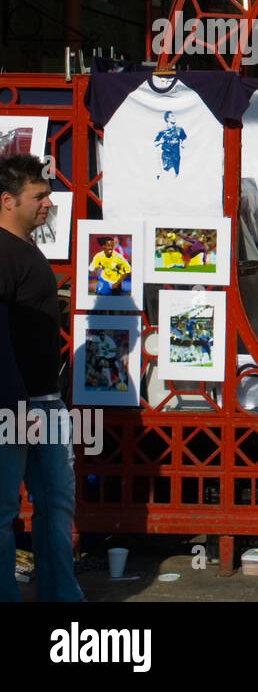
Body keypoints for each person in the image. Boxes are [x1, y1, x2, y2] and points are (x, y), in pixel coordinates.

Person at [0, 153, 84, 601]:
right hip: (15, 404)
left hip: (44, 401)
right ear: (7, 201)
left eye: (48, 194)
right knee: (4, 510)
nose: (48, 202)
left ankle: (63, 597)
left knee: (55, 503)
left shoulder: (27, 248)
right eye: (39, 195)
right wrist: (17, 406)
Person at [154, 110, 187, 178]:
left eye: (174, 116)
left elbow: (183, 138)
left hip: (176, 156)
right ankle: (160, 176)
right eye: (172, 116)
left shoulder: (179, 129)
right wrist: (161, 142)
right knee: (169, 174)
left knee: (175, 176)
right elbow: (155, 143)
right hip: (167, 156)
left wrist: (182, 143)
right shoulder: (163, 131)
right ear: (167, 119)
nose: (174, 117)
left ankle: (160, 176)